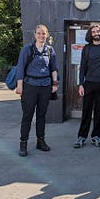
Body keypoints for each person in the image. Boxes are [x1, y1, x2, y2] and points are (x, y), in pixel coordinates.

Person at [16, 24, 59, 157]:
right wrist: (20, 86)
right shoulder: (27, 49)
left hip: (45, 86)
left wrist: (55, 83)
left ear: (47, 35)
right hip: (30, 86)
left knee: (41, 115)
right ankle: (23, 143)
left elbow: (54, 68)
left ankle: (41, 141)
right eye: (39, 33)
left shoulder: (50, 50)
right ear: (35, 35)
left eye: (44, 33)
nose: (41, 36)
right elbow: (20, 68)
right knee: (27, 115)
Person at [74, 24, 100, 148]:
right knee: (86, 111)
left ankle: (96, 136)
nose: (96, 33)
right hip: (88, 83)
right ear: (90, 34)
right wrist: (80, 84)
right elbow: (82, 67)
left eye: (98, 31)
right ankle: (81, 137)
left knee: (99, 112)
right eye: (94, 31)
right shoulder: (87, 49)